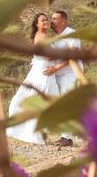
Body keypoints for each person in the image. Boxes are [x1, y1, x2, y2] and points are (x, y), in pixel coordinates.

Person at [6, 13, 60, 144]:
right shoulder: (42, 36)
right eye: (43, 20)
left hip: (39, 69)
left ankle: (35, 130)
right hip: (44, 70)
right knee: (42, 99)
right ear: (37, 24)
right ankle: (35, 133)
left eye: (47, 19)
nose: (46, 21)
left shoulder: (39, 35)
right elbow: (48, 57)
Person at [45, 10, 82, 146]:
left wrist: (56, 67)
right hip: (58, 76)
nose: (52, 21)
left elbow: (73, 55)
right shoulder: (54, 37)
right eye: (52, 18)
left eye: (55, 19)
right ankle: (64, 136)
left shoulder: (71, 34)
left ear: (63, 21)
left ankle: (67, 138)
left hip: (71, 74)